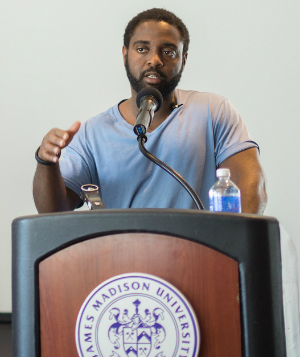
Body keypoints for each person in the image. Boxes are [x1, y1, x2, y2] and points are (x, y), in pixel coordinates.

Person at [33, 8, 267, 214]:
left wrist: (229, 248)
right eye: (142, 49)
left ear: (183, 60)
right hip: (124, 262)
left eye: (168, 52)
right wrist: (46, 161)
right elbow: (53, 210)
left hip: (200, 259)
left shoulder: (214, 111)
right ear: (125, 54)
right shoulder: (92, 133)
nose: (154, 60)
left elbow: (251, 186)